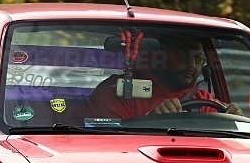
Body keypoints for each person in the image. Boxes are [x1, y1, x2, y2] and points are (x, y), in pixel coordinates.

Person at [89, 36, 240, 119]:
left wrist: (234, 118)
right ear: (159, 57)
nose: (192, 65)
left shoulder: (204, 100)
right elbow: (106, 146)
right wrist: (150, 120)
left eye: (199, 59)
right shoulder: (117, 92)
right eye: (182, 56)